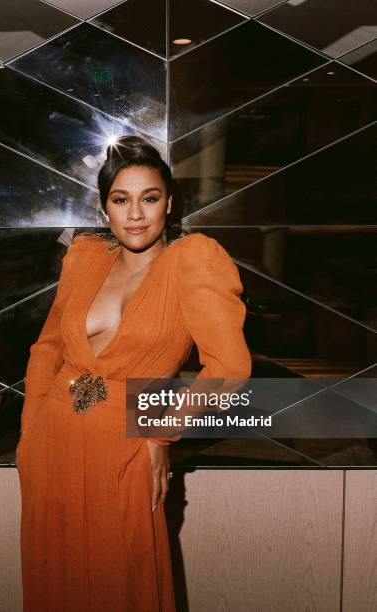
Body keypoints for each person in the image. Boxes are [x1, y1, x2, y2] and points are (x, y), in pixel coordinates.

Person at [16, 135, 252, 611]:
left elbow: (229, 368)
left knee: (122, 581)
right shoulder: (83, 258)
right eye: (121, 200)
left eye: (149, 199)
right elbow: (47, 349)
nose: (136, 214)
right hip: (52, 442)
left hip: (124, 445)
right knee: (54, 579)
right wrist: (30, 431)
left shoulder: (193, 260)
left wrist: (159, 435)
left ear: (169, 203)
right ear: (105, 210)